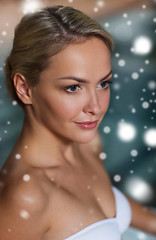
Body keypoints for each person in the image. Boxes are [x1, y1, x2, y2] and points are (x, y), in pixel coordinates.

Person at [0, 5, 155, 240]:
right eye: (73, 87)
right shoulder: (27, 197)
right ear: (24, 89)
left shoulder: (86, 144)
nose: (96, 107)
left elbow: (108, 207)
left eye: (103, 83)